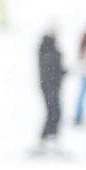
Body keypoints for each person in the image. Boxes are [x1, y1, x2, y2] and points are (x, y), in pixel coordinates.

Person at [35, 25, 67, 153]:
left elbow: (54, 68)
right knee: (53, 112)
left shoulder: (49, 48)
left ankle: (50, 138)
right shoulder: (48, 47)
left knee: (55, 112)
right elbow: (51, 68)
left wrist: (63, 72)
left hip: (52, 85)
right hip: (49, 85)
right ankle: (47, 138)